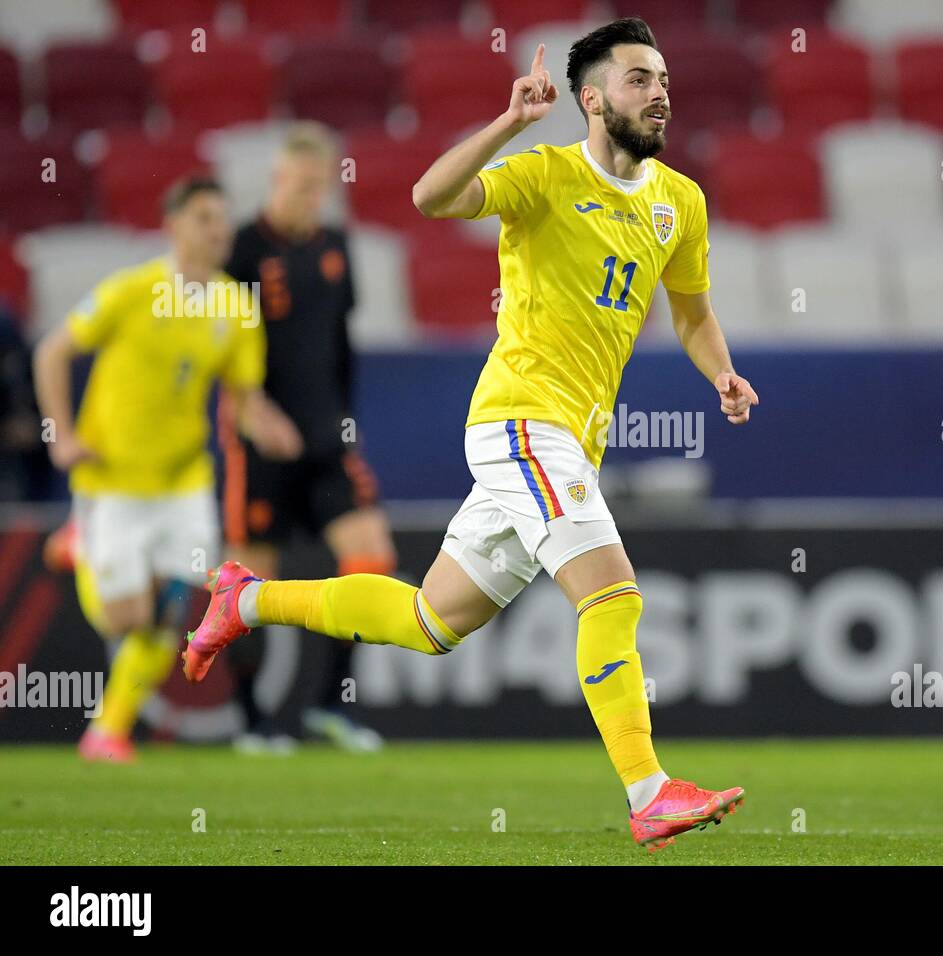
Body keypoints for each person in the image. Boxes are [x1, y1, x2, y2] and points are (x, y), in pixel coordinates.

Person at [183, 18, 757, 852]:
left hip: (568, 441)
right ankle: (649, 790)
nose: (659, 90)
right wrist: (511, 122)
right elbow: (430, 197)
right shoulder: (544, 173)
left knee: (429, 621)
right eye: (639, 78)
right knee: (613, 593)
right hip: (521, 420)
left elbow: (693, 311)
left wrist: (721, 373)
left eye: (663, 77)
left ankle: (246, 599)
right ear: (590, 99)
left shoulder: (681, 201)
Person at [32, 175, 301, 761]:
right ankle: (81, 545)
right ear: (173, 225)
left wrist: (268, 424)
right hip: (113, 481)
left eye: (223, 218)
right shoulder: (132, 291)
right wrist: (62, 437)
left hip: (184, 481)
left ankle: (107, 731)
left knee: (169, 616)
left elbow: (244, 397)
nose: (218, 230)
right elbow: (52, 351)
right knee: (123, 618)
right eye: (204, 218)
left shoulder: (235, 304)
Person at [221, 122, 392, 754]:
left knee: (370, 558)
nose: (309, 199)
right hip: (262, 446)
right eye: (299, 186)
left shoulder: (336, 246)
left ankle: (329, 705)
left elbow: (341, 344)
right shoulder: (241, 249)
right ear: (276, 180)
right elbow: (221, 350)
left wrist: (346, 423)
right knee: (247, 583)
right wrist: (252, 412)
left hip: (327, 443)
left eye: (319, 188)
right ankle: (251, 719)